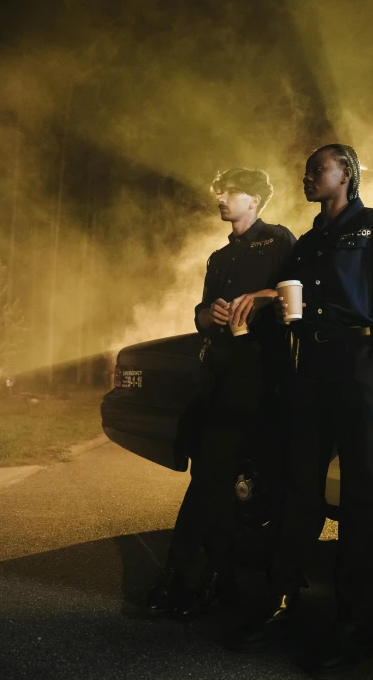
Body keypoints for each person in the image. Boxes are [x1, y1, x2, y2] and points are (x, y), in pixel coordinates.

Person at [235, 144, 373, 673]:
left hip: (360, 360)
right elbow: (289, 293)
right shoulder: (313, 240)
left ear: (347, 174)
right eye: (306, 169)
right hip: (313, 364)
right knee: (300, 486)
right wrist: (264, 296)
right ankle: (282, 599)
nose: (307, 175)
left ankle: (356, 623)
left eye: (318, 168)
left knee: (362, 495)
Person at [144, 167, 296, 617]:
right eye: (219, 192)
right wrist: (208, 313)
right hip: (217, 374)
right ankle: (218, 578)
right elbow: (200, 314)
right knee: (216, 478)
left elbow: (296, 292)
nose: (221, 199)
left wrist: (265, 295)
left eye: (231, 192)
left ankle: (183, 578)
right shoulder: (218, 256)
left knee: (215, 474)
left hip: (258, 374)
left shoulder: (280, 240)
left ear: (255, 199)